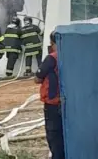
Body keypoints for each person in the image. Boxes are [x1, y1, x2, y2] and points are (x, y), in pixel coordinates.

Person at [35, 31, 65, 159]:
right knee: (65, 132)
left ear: (52, 43)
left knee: (54, 133)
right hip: (67, 102)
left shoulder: (52, 58)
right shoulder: (70, 55)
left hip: (52, 102)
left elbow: (38, 78)